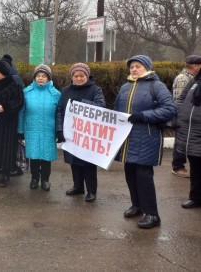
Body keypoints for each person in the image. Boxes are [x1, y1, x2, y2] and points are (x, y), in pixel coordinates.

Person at [114, 55, 175, 229]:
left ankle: (152, 214)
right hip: (127, 139)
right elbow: (116, 111)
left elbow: (169, 109)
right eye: (132, 66)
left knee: (143, 176)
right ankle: (137, 205)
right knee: (130, 173)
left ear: (147, 68)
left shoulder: (157, 86)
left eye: (138, 66)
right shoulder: (125, 87)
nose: (134, 69)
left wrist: (143, 116)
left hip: (147, 137)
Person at [56, 63, 106, 202]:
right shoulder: (65, 91)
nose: (79, 78)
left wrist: (82, 102)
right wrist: (59, 129)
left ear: (87, 76)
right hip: (71, 132)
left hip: (88, 133)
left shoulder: (95, 90)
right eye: (76, 76)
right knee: (74, 161)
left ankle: (91, 190)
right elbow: (60, 110)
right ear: (71, 77)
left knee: (88, 162)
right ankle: (78, 187)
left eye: (82, 76)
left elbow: (101, 107)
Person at [18, 64, 61, 191]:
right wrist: (20, 131)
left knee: (46, 156)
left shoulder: (56, 94)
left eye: (43, 76)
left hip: (49, 129)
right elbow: (21, 113)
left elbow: (59, 113)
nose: (40, 78)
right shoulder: (26, 92)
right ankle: (34, 178)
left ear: (48, 78)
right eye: (38, 76)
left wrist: (59, 131)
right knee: (34, 156)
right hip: (31, 129)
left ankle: (45, 180)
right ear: (34, 77)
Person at [174, 59, 201, 209]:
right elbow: (181, 98)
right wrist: (179, 114)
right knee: (196, 168)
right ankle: (195, 198)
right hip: (190, 132)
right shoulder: (195, 81)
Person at [171, 55, 201, 178]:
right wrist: (179, 117)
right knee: (180, 143)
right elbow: (179, 99)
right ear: (195, 66)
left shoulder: (192, 78)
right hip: (183, 119)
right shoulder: (183, 79)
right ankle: (178, 166)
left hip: (188, 121)